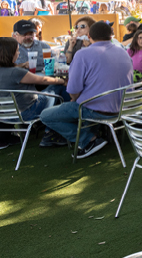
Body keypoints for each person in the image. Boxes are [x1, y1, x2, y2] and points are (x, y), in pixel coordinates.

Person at [40, 21, 134, 159]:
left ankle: (88, 140)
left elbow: (73, 90)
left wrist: (74, 98)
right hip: (127, 107)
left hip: (99, 110)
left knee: (46, 115)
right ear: (111, 36)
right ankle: (92, 136)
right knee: (82, 103)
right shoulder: (123, 52)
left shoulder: (83, 54)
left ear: (89, 36)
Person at [0, 37, 67, 150]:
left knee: (49, 90)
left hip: (4, 117)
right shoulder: (16, 73)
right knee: (57, 87)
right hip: (27, 113)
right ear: (10, 53)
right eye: (17, 50)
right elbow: (43, 80)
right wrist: (62, 81)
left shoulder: (12, 70)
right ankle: (51, 133)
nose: (19, 52)